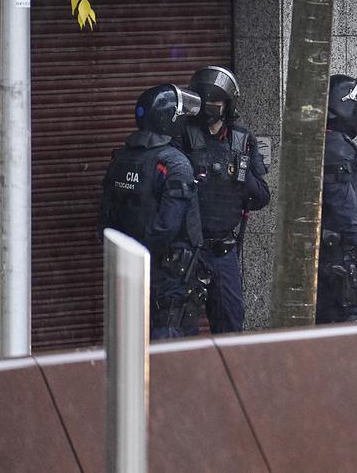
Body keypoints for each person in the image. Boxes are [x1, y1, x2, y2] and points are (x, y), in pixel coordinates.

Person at [100, 84, 207, 339]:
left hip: (127, 268)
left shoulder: (121, 158)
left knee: (130, 340)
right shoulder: (174, 163)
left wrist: (130, 255)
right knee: (170, 345)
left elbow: (106, 217)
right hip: (168, 274)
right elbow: (168, 226)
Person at [176, 66, 270, 333]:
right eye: (205, 101)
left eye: (216, 102)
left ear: (228, 104)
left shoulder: (242, 140)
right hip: (189, 250)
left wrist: (241, 176)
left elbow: (262, 197)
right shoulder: (182, 136)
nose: (211, 107)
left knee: (230, 322)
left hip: (224, 252)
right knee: (183, 324)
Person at [315, 74, 357, 324]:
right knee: (354, 316)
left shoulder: (324, 141)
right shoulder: (338, 147)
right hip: (342, 248)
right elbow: (342, 199)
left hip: (334, 245)